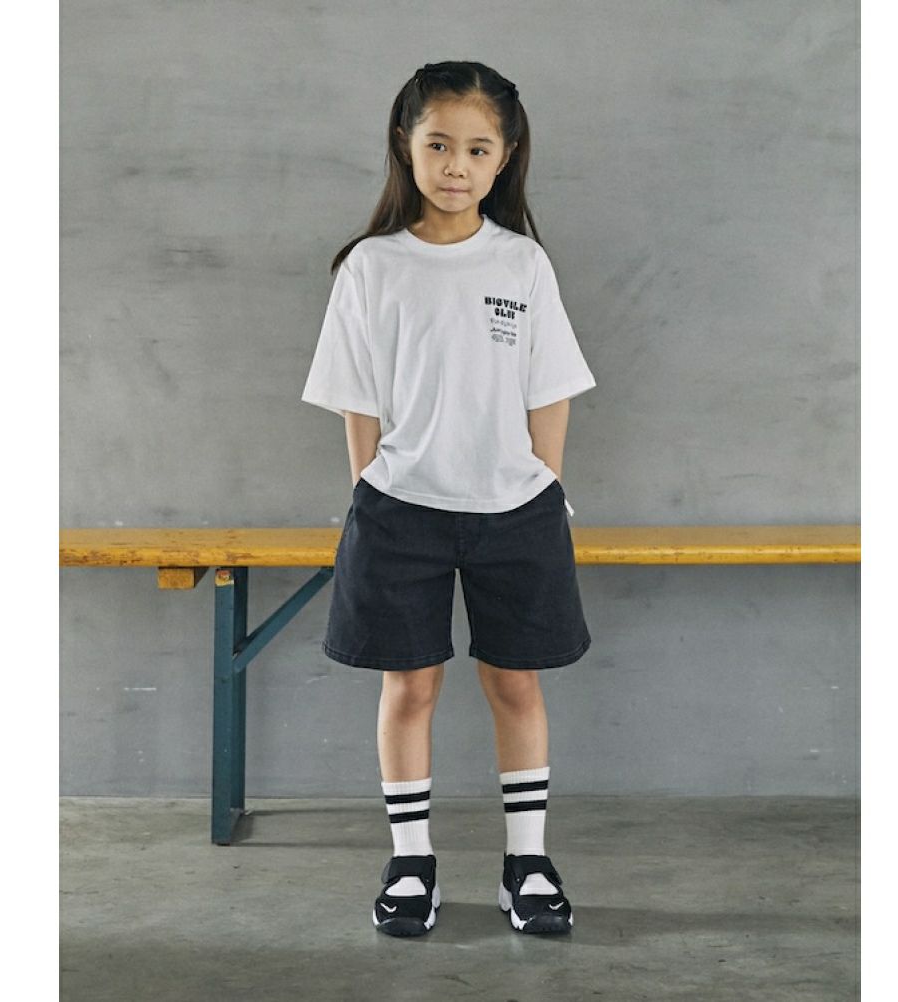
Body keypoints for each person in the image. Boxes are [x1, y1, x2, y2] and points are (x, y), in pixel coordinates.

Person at [301, 60, 596, 937]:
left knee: (516, 683)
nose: (456, 166)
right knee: (409, 687)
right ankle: (411, 864)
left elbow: (550, 387)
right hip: (401, 512)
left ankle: (527, 863)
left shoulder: (522, 264)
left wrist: (542, 484)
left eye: (476, 149)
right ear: (407, 146)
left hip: (516, 511)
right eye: (438, 145)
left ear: (505, 156)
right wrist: (370, 488)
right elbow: (358, 397)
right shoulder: (371, 266)